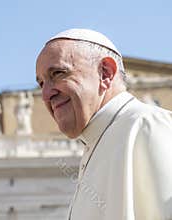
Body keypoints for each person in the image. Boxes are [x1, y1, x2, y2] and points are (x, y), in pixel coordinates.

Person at [36, 28, 172, 220]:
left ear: (105, 73)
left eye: (58, 73)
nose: (45, 95)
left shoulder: (146, 125)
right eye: (41, 83)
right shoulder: (96, 143)